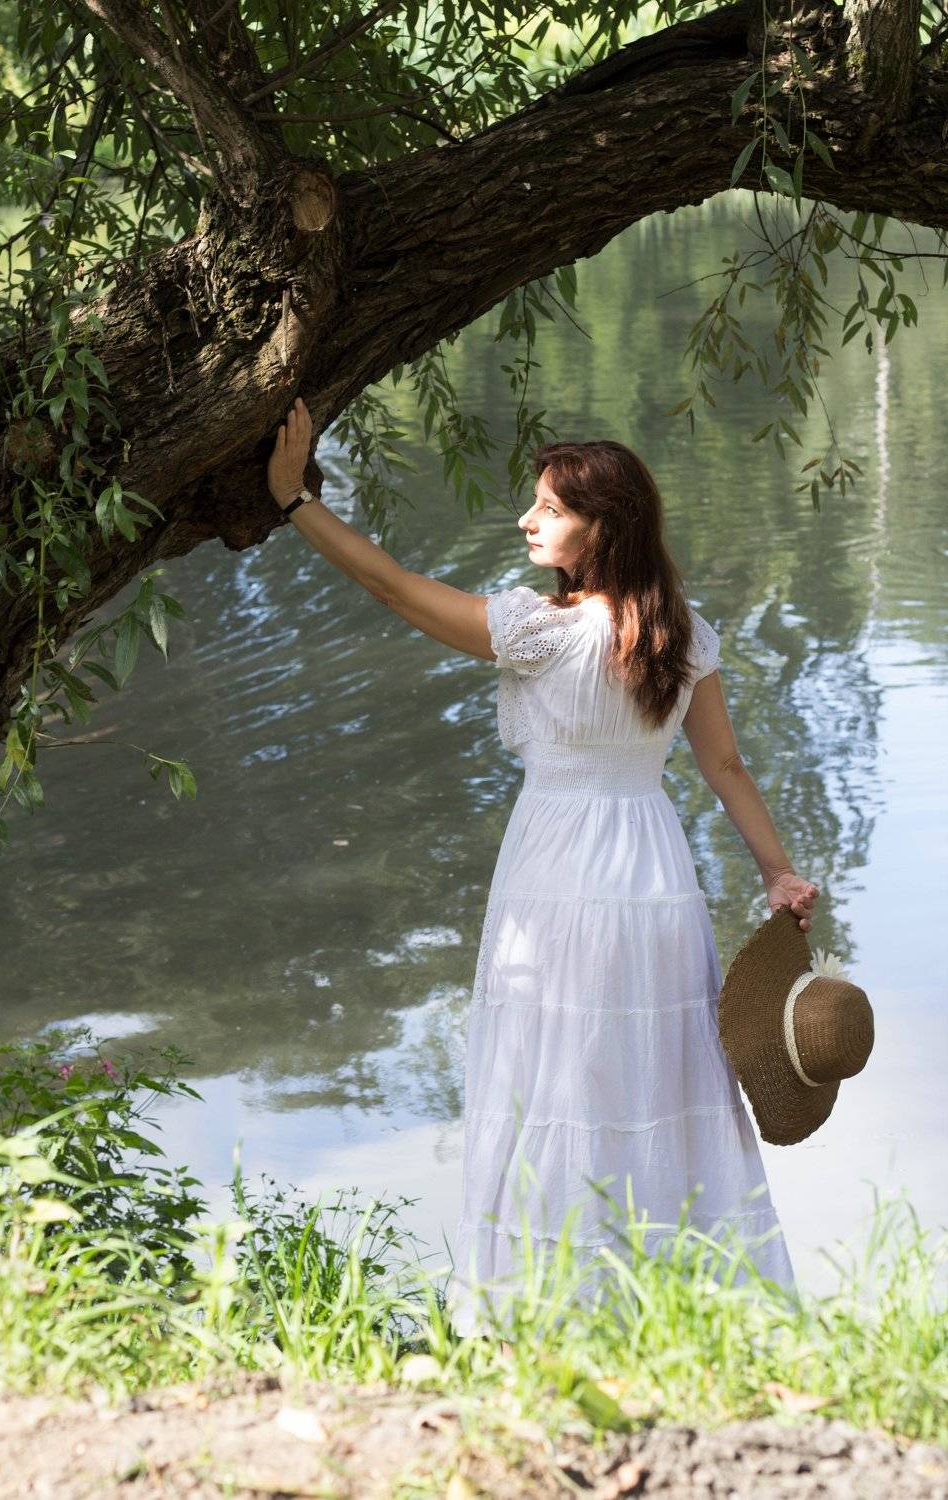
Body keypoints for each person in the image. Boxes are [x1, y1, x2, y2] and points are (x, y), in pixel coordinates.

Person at [268, 398, 817, 1336]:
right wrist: (778, 872)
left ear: (602, 528)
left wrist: (294, 502)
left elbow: (391, 586)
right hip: (653, 872)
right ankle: (681, 1297)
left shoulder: (540, 632)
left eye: (551, 509)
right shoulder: (681, 632)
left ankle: (551, 1301)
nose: (527, 520)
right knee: (659, 1073)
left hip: (557, 869)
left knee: (555, 1068)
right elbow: (725, 767)